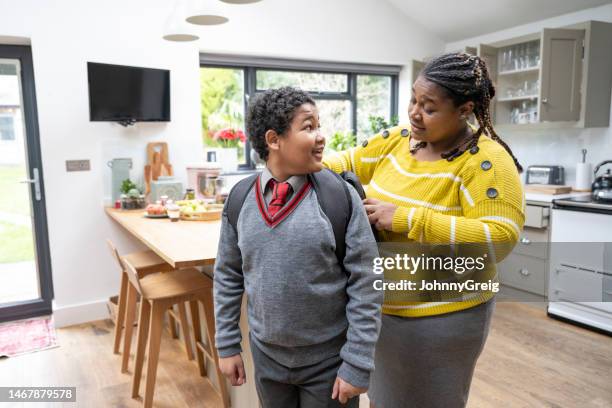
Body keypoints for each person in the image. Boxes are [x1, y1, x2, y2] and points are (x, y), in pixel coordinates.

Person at [323, 53, 525, 407]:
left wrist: (406, 219)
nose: (415, 113)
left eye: (429, 107)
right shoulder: (399, 140)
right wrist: (299, 160)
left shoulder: (486, 162)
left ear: (464, 109)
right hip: (384, 308)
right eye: (414, 100)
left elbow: (500, 238)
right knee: (385, 399)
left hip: (444, 317)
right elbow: (342, 164)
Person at [213, 86, 382, 408]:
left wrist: (357, 363)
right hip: (266, 359)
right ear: (274, 140)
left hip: (330, 364)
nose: (321, 137)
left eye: (319, 126)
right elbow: (228, 276)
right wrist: (227, 344)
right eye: (308, 127)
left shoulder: (340, 198)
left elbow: (367, 283)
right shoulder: (239, 201)